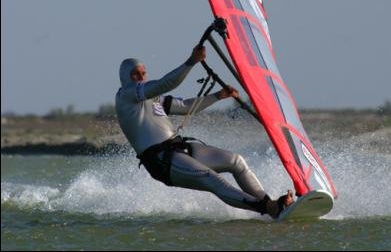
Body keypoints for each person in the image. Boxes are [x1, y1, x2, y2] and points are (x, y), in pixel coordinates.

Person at [115, 20, 293, 219]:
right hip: (161, 161)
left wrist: (217, 96)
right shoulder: (127, 96)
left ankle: (270, 206)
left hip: (179, 149)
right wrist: (191, 62)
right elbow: (164, 84)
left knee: (237, 161)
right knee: (212, 179)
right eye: (135, 74)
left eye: (143, 73)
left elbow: (186, 107)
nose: (140, 77)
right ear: (125, 78)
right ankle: (269, 208)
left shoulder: (153, 99)